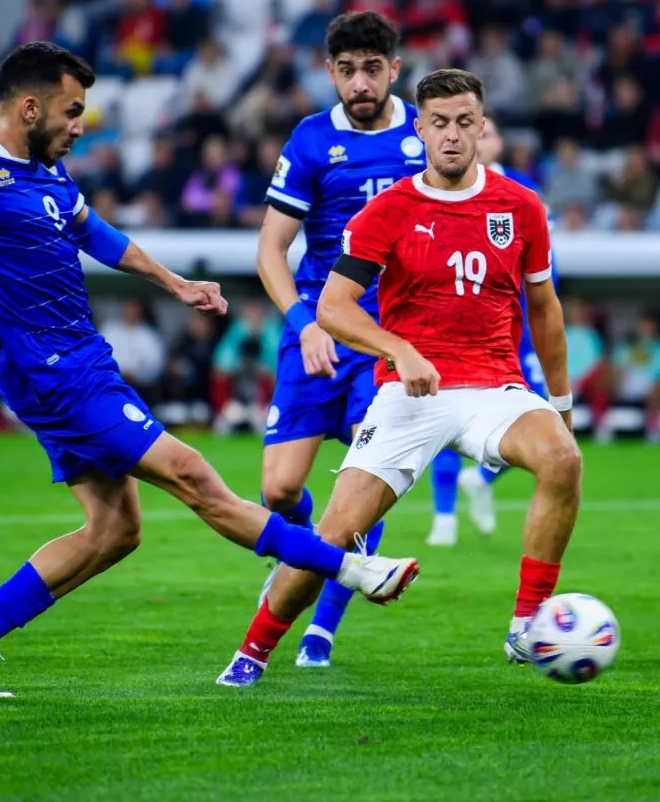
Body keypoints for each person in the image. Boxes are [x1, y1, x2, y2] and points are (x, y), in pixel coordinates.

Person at [0, 42, 418, 699]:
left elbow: (96, 233)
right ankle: (355, 568)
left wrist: (173, 281)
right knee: (193, 476)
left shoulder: (48, 171)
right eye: (71, 112)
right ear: (29, 109)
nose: (79, 126)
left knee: (115, 529)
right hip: (56, 373)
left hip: (77, 363)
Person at [217, 69, 581, 688]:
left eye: (465, 122)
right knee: (335, 535)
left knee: (564, 459)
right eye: (439, 123)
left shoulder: (520, 206)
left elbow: (544, 310)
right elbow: (332, 307)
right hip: (411, 393)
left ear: (482, 127)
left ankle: (528, 624)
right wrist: (399, 350)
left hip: (494, 387)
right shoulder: (387, 211)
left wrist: (561, 401)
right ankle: (251, 652)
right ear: (420, 130)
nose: (453, 135)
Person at [252, 11, 426, 669]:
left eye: (372, 69)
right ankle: (306, 555)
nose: (360, 81)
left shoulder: (421, 133)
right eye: (347, 70)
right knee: (277, 490)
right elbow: (270, 251)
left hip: (387, 332)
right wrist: (304, 324)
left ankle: (320, 628)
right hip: (317, 328)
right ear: (330, 72)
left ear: (394, 71)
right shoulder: (308, 139)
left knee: (365, 480)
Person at [426, 113, 554, 547]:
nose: (481, 138)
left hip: (511, 328)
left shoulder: (521, 191)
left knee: (533, 415)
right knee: (443, 414)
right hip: (454, 327)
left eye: (490, 131)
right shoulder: (437, 186)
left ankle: (480, 478)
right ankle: (443, 518)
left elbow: (540, 263)